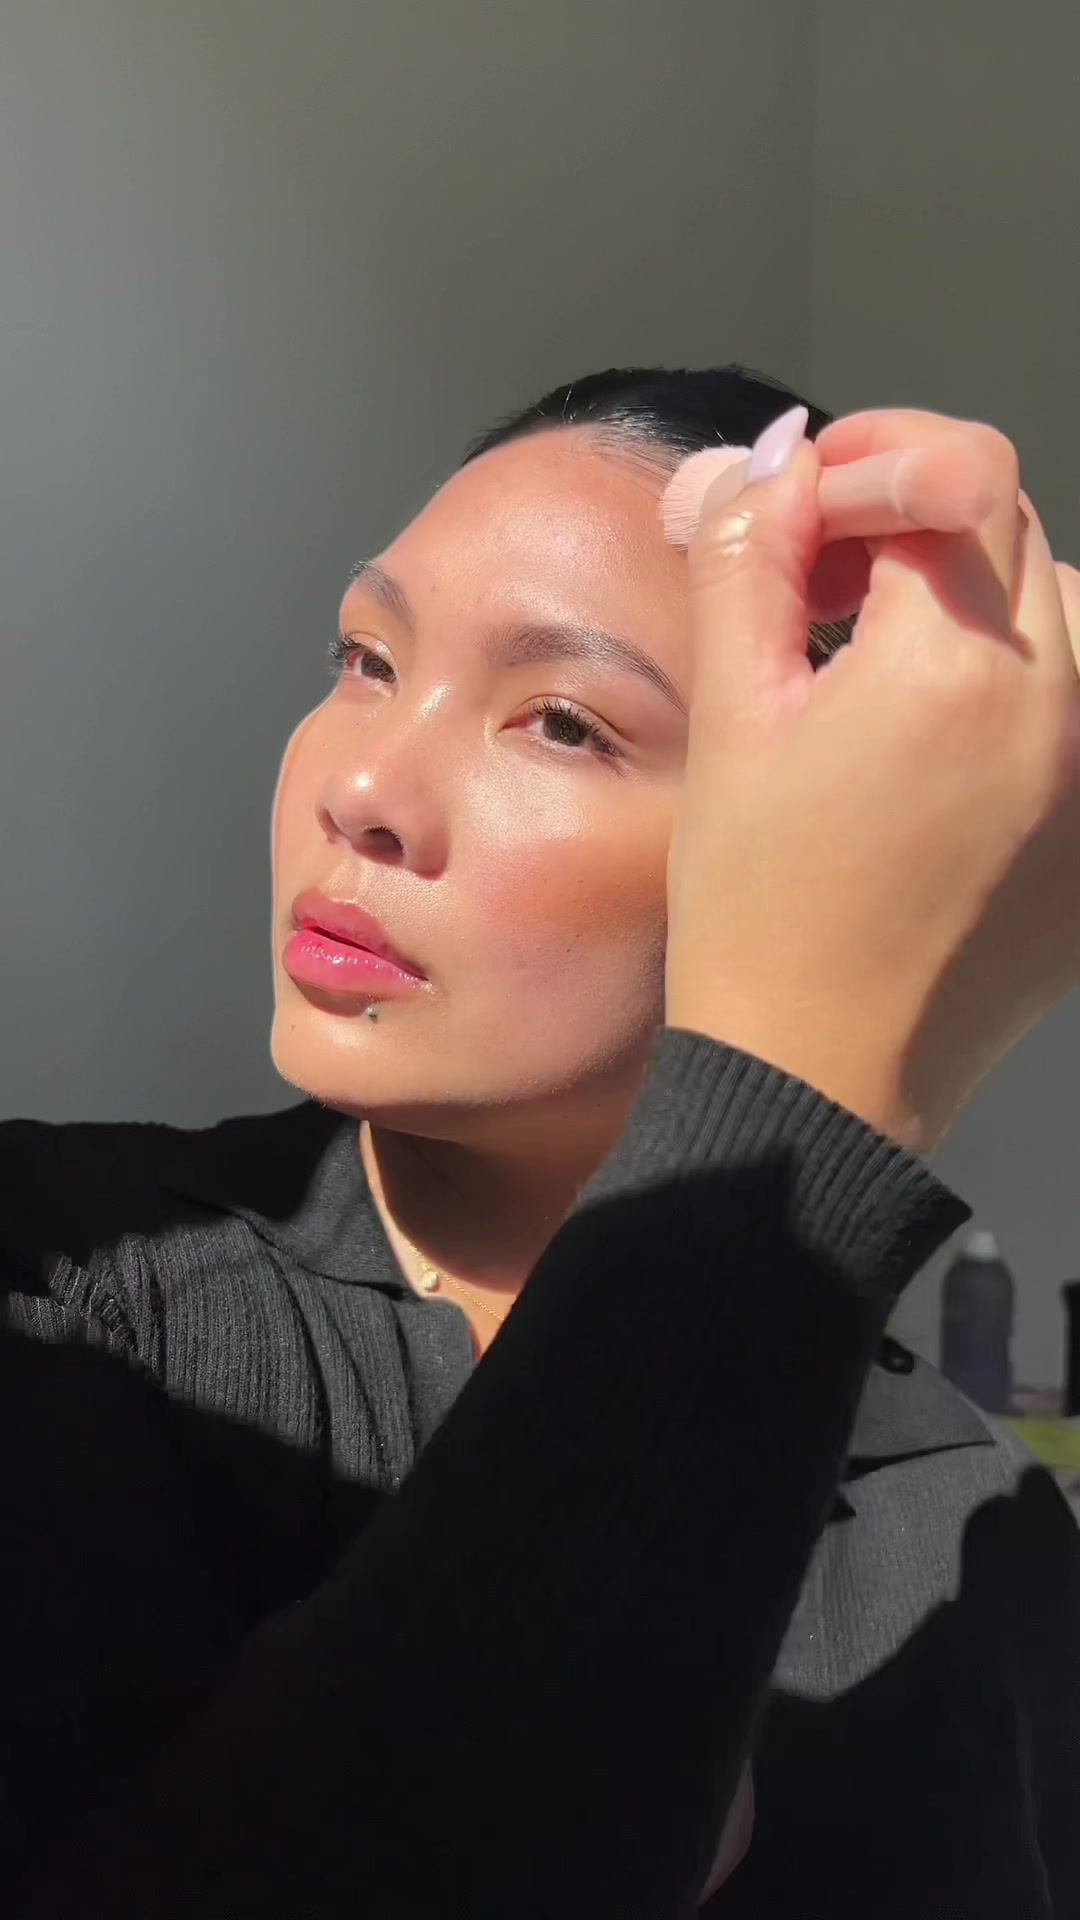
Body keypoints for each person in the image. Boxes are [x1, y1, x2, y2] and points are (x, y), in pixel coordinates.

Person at [1, 365, 1078, 1919]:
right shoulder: (71, 1286)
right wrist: (815, 1094)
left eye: (562, 722)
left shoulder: (976, 1522)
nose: (361, 789)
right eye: (366, 659)